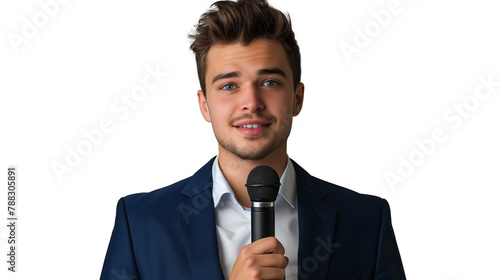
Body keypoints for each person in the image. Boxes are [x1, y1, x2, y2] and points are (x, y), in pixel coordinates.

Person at [100, 0, 406, 279]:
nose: (251, 102)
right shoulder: (141, 223)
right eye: (229, 85)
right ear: (204, 105)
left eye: (270, 82)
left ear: (297, 98)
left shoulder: (366, 221)